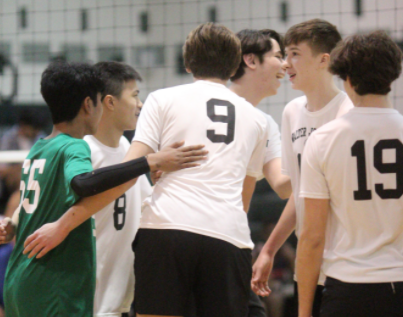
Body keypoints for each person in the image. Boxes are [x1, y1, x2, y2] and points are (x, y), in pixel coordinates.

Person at [0, 62, 206, 317]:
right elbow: (84, 182)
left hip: (29, 280)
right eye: (134, 95)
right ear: (94, 104)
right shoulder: (78, 148)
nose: (140, 104)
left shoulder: (43, 147)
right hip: (61, 285)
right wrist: (150, 161)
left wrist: (152, 172)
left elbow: (36, 199)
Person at [126, 22, 267, 317]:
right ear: (233, 69)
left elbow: (131, 165)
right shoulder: (257, 119)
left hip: (166, 228)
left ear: (188, 64)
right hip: (227, 235)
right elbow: (245, 195)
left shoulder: (161, 98)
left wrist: (153, 166)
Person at [297, 30, 403, 317]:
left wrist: (303, 311)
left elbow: (311, 236)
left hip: (349, 288)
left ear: (345, 78)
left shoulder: (323, 140)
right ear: (393, 75)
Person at [251, 19, 353, 317]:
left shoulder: (347, 113)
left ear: (324, 60)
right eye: (285, 54)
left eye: (295, 54)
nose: (286, 63)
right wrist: (269, 250)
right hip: (309, 265)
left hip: (343, 262)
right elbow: (300, 192)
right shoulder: (292, 112)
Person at [229, 28, 291, 317]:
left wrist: (321, 156)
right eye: (279, 56)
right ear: (251, 61)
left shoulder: (266, 122)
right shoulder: (203, 107)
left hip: (233, 243)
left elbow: (282, 185)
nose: (286, 65)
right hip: (189, 237)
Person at [85, 61, 152, 317]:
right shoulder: (84, 151)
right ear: (110, 103)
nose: (140, 104)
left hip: (118, 298)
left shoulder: (126, 147)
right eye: (134, 95)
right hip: (89, 297)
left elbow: (148, 203)